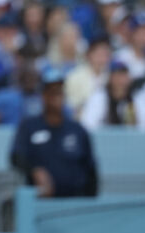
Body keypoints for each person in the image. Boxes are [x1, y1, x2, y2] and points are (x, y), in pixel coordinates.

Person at [10, 68, 98, 198]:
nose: (56, 96)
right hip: (40, 202)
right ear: (43, 95)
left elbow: (91, 170)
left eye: (59, 92)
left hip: (74, 202)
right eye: (51, 92)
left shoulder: (77, 130)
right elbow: (16, 156)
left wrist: (88, 203)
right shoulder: (29, 126)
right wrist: (35, 170)